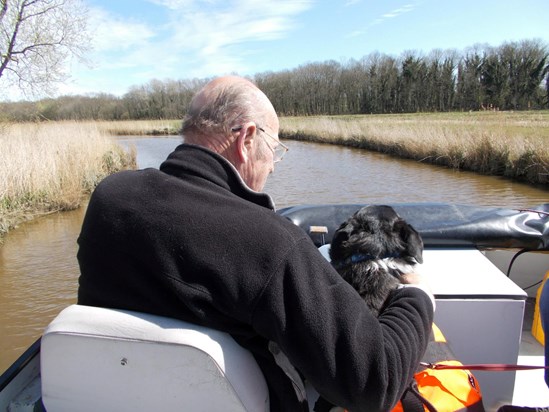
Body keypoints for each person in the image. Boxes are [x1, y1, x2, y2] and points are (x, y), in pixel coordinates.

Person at [76, 75, 434, 411]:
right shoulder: (269, 241)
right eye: (274, 149)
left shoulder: (110, 197)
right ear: (247, 139)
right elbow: (375, 384)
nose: (274, 166)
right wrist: (415, 297)